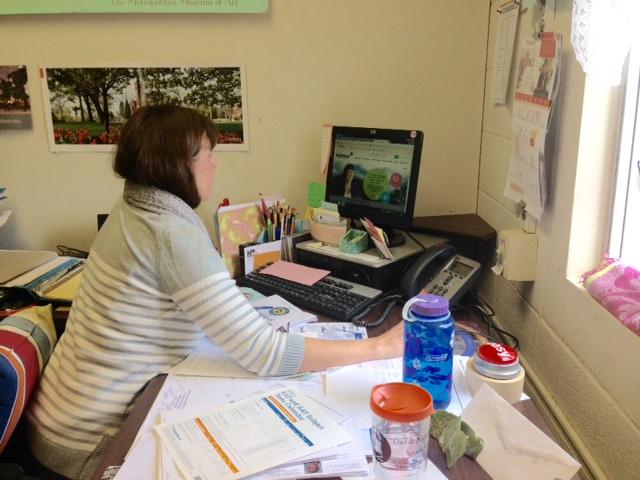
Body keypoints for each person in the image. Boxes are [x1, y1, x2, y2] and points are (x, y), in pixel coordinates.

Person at [25, 105, 402, 480]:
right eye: (208, 153)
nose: (215, 164)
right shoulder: (169, 235)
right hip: (87, 444)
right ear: (177, 163)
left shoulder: (131, 208)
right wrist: (379, 347)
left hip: (56, 417)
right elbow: (264, 354)